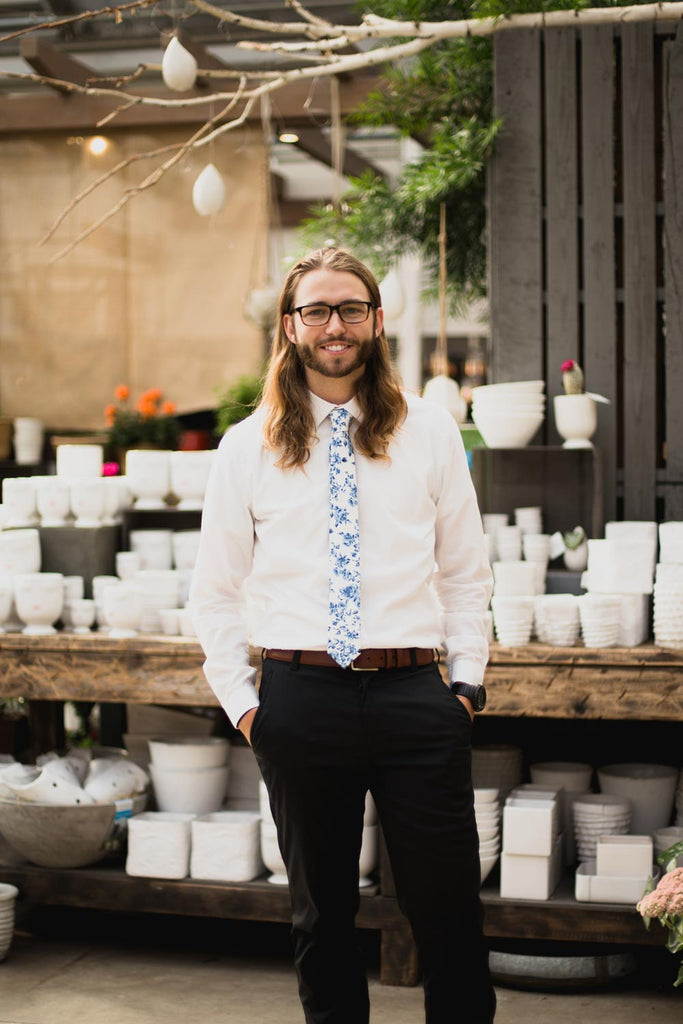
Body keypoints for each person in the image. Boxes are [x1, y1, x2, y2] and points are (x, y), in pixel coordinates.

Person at [190, 247, 496, 1024]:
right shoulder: (245, 445)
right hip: (299, 696)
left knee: (450, 915)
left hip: (412, 698)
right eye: (317, 310)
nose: (335, 324)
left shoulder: (429, 430)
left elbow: (464, 570)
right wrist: (246, 707)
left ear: (376, 320)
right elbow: (216, 590)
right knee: (320, 919)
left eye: (350, 308)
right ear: (290, 327)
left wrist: (464, 687)